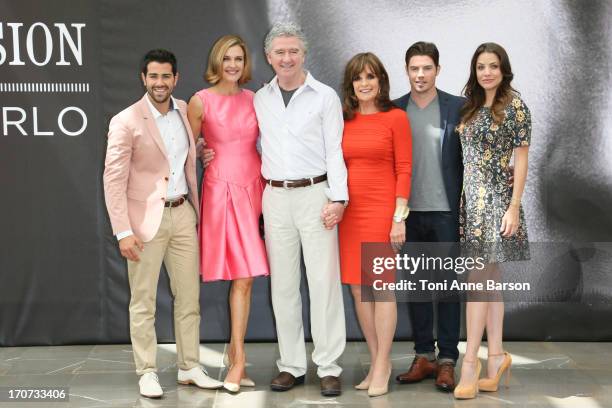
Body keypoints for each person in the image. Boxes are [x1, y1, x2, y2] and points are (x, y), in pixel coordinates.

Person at [103, 49, 223, 398]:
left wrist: (201, 151)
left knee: (189, 298)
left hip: (184, 213)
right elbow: (113, 180)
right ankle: (147, 371)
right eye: (153, 76)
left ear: (176, 79)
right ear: (144, 79)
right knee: (143, 302)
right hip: (143, 222)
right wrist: (123, 230)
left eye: (165, 76)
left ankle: (190, 367)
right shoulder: (125, 120)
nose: (160, 83)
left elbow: (182, 154)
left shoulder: (185, 110)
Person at [253, 22, 348, 397]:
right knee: (284, 286)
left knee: (323, 284)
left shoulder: (324, 97)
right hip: (275, 197)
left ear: (304, 54)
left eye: (293, 51)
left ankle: (328, 366)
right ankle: (291, 365)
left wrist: (338, 199)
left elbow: (335, 151)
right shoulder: (261, 98)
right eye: (280, 52)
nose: (287, 58)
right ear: (269, 57)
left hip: (316, 194)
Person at [186, 35, 269, 393]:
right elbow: (186, 154)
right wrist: (202, 149)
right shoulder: (199, 102)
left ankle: (238, 358)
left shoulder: (256, 100)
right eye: (227, 58)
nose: (233, 65)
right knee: (243, 275)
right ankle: (238, 362)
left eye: (238, 58)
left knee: (247, 277)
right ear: (216, 62)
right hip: (220, 191)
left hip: (256, 189)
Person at [453, 42, 531, 399]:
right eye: (481, 66)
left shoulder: (515, 107)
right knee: (490, 280)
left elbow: (522, 161)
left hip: (498, 203)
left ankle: (470, 361)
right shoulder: (468, 107)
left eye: (493, 66)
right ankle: (497, 356)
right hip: (471, 203)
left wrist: (513, 207)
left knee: (477, 280)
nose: (487, 72)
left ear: (504, 70)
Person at [338, 52, 412, 397]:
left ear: (381, 81)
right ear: (351, 85)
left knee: (380, 288)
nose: (364, 83)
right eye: (358, 78)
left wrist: (399, 218)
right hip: (350, 215)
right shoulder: (343, 120)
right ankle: (375, 359)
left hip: (383, 212)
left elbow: (404, 170)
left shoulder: (396, 118)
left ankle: (383, 363)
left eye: (371, 77)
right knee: (357, 289)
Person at [393, 42, 465, 392]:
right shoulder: (393, 110)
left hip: (446, 213)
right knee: (418, 287)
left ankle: (448, 359)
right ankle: (424, 355)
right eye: (414, 69)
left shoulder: (459, 108)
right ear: (406, 71)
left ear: (437, 69)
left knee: (449, 288)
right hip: (407, 214)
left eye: (426, 68)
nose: (420, 75)